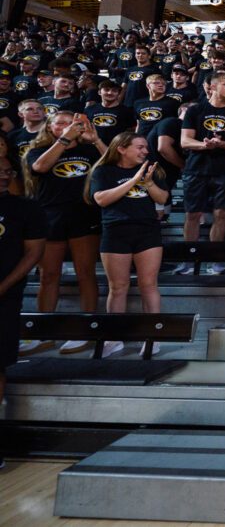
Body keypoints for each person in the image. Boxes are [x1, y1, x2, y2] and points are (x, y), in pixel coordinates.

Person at [21, 112, 105, 356]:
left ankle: (84, 331)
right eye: (60, 123)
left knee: (85, 274)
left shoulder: (89, 150)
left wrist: (96, 140)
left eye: (72, 123)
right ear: (50, 127)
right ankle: (43, 332)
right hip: (50, 218)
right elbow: (40, 167)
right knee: (48, 275)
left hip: (84, 216)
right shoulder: (38, 150)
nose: (66, 127)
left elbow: (116, 164)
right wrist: (65, 140)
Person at [86, 133, 168, 357]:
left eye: (146, 148)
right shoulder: (104, 171)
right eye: (140, 147)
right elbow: (101, 199)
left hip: (147, 231)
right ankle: (114, 337)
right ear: (122, 148)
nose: (145, 151)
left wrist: (148, 183)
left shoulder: (153, 170)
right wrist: (134, 180)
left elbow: (162, 199)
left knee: (148, 284)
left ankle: (152, 336)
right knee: (118, 287)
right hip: (115, 231)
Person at [0, 154, 46, 468]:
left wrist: (2, 287)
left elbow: (33, 254)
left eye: (7, 171)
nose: (5, 175)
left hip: (5, 299)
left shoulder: (25, 208)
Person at [178, 73, 225, 275]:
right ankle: (189, 259)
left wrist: (222, 143)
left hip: (224, 170)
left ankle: (215, 259)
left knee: (221, 214)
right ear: (213, 87)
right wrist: (205, 145)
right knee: (192, 214)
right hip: (196, 169)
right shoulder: (195, 110)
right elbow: (185, 141)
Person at [86, 80, 136, 145]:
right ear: (99, 92)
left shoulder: (127, 111)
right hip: (93, 147)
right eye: (106, 90)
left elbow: (132, 131)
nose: (110, 93)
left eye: (114, 91)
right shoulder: (89, 109)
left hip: (116, 148)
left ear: (118, 94)